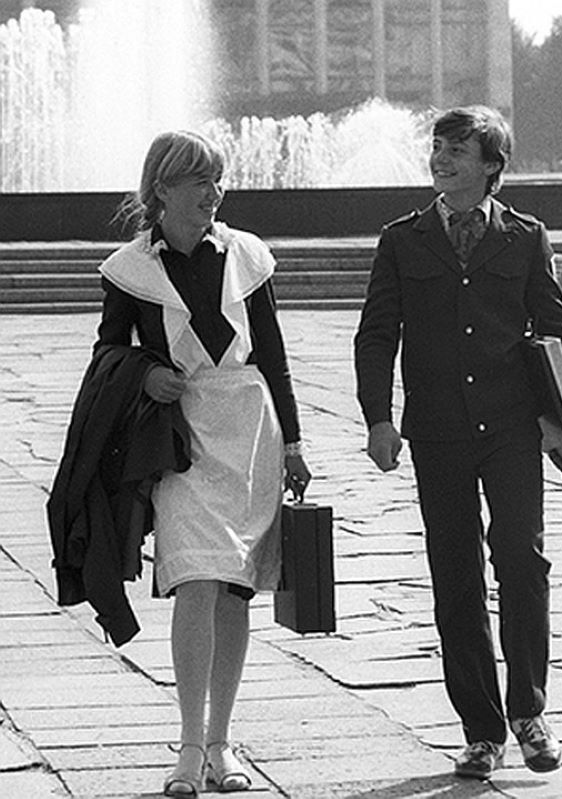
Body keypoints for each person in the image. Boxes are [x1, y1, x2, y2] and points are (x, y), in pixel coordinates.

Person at [353, 105, 562, 781]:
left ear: (491, 164)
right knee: (454, 575)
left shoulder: (525, 237)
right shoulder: (402, 239)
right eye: (438, 146)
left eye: (458, 149)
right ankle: (482, 729)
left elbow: (557, 329)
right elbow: (377, 333)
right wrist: (378, 416)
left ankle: (529, 710)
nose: (442, 158)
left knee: (523, 560)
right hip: (437, 433)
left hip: (511, 427)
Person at [93, 130, 311, 796]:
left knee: (235, 588)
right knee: (195, 577)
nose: (212, 194)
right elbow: (107, 355)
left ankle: (223, 743)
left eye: (217, 181)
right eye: (198, 182)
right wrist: (144, 375)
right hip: (180, 433)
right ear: (161, 189)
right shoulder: (129, 269)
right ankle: (190, 745)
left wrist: (297, 443)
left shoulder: (248, 256)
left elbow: (271, 354)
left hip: (249, 430)